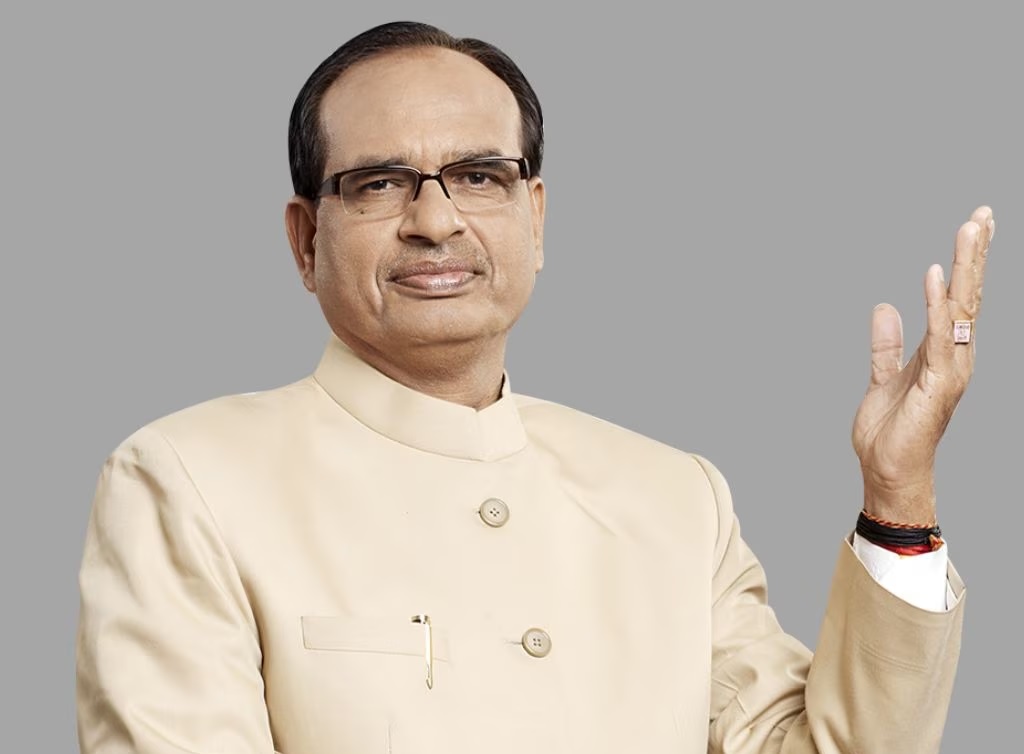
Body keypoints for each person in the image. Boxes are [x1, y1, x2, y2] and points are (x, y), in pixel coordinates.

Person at [75, 20, 992, 754]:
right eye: (381, 184)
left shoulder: (675, 497)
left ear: (535, 218)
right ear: (306, 240)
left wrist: (897, 495)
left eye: (480, 176)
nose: (435, 221)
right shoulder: (188, 481)